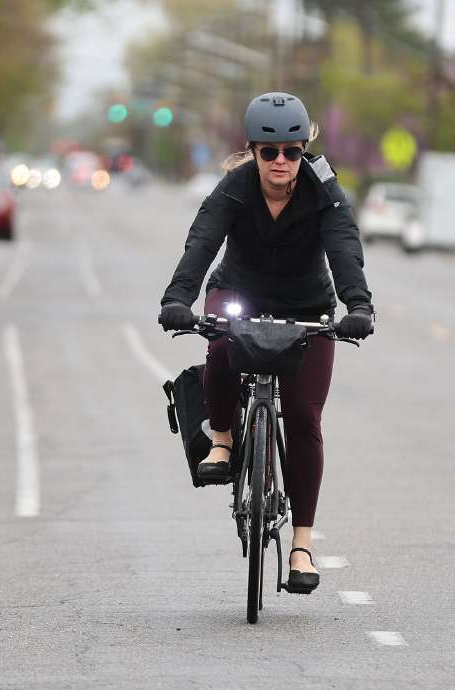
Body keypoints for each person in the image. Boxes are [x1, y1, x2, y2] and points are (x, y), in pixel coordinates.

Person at [158, 92, 374, 595]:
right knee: (217, 341)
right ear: (252, 151)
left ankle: (301, 545)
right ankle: (223, 441)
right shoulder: (234, 188)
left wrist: (357, 306)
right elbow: (202, 241)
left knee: (303, 417)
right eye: (269, 153)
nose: (281, 162)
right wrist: (177, 298)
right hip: (241, 293)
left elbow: (344, 244)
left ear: (304, 150)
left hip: (307, 307)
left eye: (292, 152)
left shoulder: (324, 189)